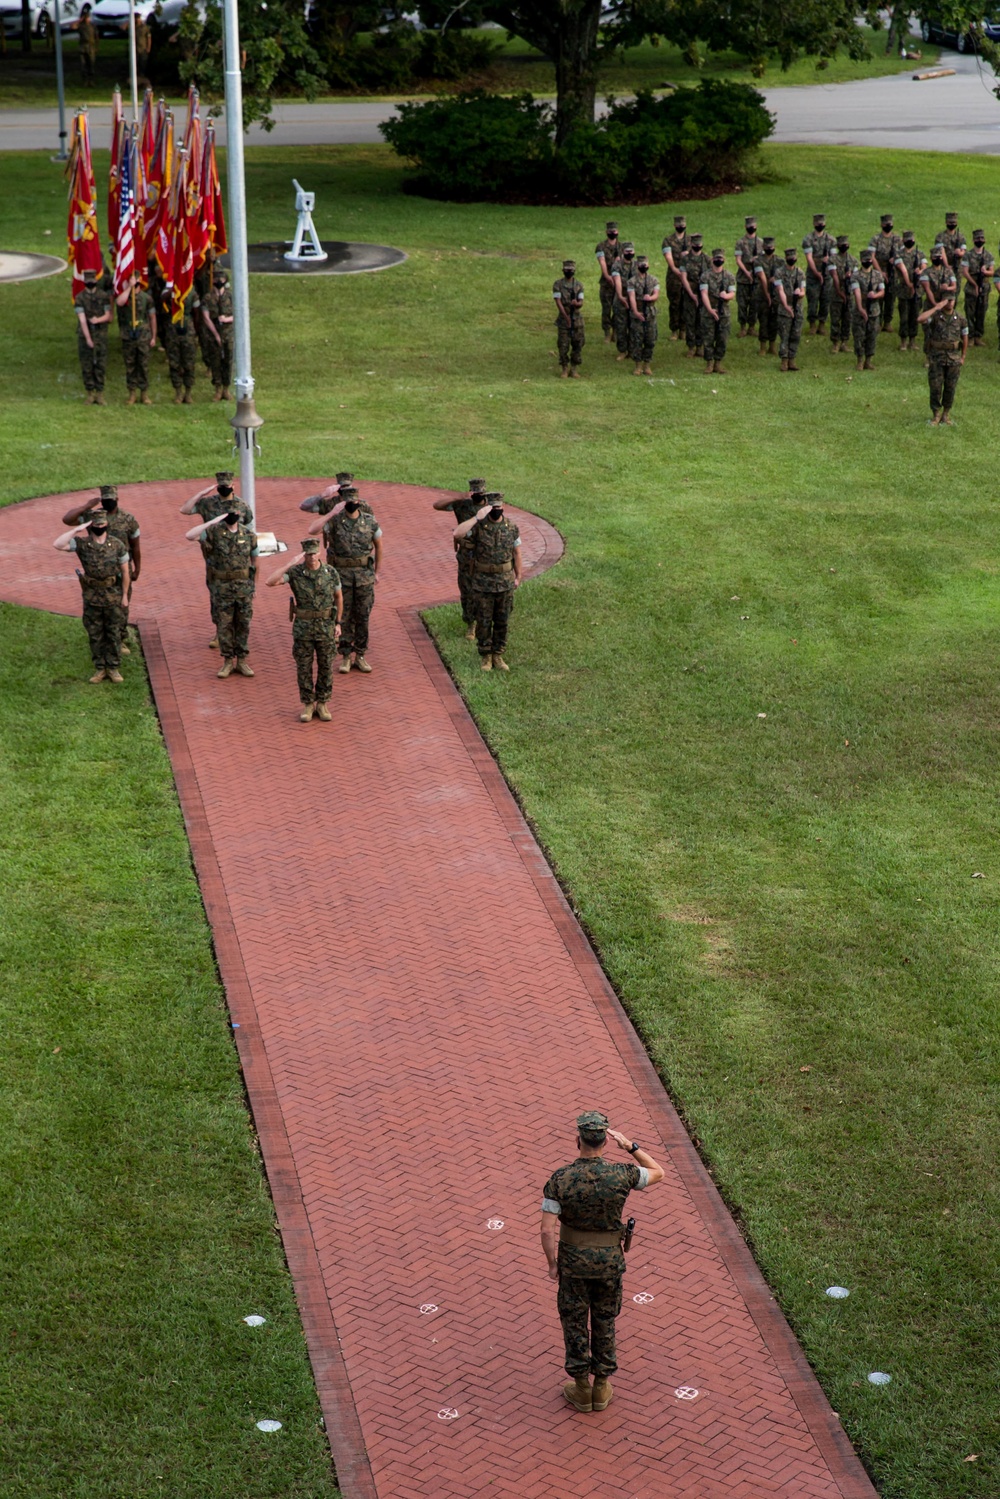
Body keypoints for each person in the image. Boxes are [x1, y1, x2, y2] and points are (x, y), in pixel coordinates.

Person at [540, 1111, 664, 1413]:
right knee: (605, 1320)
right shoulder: (622, 1174)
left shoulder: (560, 1179)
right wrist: (630, 1146)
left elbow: (546, 1229)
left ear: (578, 1140)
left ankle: (581, 1387)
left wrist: (552, 1263)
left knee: (574, 1321)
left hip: (572, 1263)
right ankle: (602, 1385)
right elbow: (657, 1171)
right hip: (609, 1263)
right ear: (605, 1142)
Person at [265, 538, 342, 722]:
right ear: (304, 555)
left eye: (315, 553)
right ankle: (308, 704)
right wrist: (289, 563)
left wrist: (338, 623)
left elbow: (339, 597)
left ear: (320, 553)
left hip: (325, 627)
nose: (312, 557)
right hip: (304, 629)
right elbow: (270, 582)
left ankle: (322, 703)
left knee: (326, 665)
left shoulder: (330, 572)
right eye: (308, 554)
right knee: (304, 667)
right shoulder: (296, 573)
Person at [307, 488, 382, 674]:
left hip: (364, 576)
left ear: (359, 502)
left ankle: (360, 655)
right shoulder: (335, 521)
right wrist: (331, 512)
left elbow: (379, 546)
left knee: (363, 616)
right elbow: (313, 530)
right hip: (341, 575)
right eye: (348, 501)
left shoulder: (370, 521)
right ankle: (346, 656)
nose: (351, 504)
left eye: (354, 500)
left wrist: (377, 572)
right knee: (343, 616)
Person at [52, 505, 129, 683]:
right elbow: (58, 544)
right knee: (95, 633)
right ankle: (100, 668)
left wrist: (125, 595)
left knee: (113, 632)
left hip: (112, 594)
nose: (99, 527)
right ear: (90, 526)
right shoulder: (82, 544)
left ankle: (113, 667)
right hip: (92, 595)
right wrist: (76, 529)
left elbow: (125, 572)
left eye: (102, 524)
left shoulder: (117, 545)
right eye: (96, 524)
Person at [62, 484, 141, 650]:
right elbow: (67, 520)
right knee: (98, 607)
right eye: (105, 500)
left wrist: (137, 568)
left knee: (122, 605)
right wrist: (86, 506)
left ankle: (120, 638)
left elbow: (135, 545)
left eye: (111, 499)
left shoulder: (128, 519)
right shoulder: (93, 516)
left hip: (121, 570)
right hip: (98, 569)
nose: (108, 502)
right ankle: (103, 639)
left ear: (117, 499)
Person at [180, 472, 252, 648]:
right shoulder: (208, 503)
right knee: (216, 597)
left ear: (233, 485)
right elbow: (185, 509)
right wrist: (201, 494)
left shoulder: (241, 506)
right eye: (221, 485)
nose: (224, 488)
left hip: (237, 560)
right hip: (213, 559)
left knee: (239, 600)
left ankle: (234, 633)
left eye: (227, 485)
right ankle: (220, 632)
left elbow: (247, 525)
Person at [185, 509, 258, 678]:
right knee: (224, 625)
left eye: (235, 511)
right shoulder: (214, 532)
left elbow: (255, 561)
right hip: (222, 588)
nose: (232, 514)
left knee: (243, 624)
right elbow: (190, 535)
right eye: (229, 512)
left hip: (243, 588)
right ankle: (227, 662)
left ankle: (241, 661)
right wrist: (212, 521)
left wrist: (254, 586)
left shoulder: (248, 534)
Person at [452, 493, 521, 672]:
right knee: (484, 620)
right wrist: (476, 517)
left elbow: (517, 552)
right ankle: (486, 656)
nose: (497, 511)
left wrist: (518, 576)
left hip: (504, 581)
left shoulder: (511, 527)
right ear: (488, 507)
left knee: (502, 620)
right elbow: (457, 533)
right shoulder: (478, 527)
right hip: (483, 582)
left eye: (499, 507)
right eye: (493, 507)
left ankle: (498, 654)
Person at [432, 478, 488, 640]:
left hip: (485, 554)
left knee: (484, 589)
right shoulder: (463, 504)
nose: (477, 495)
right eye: (474, 492)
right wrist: (459, 497)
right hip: (467, 554)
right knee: (466, 588)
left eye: (480, 492)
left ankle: (484, 622)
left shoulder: (490, 507)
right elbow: (437, 505)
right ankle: (471, 624)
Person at [918, 283, 967, 426]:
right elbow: (920, 319)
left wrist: (963, 356)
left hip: (953, 358)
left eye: (952, 300)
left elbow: (965, 337)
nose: (950, 303)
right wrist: (936, 307)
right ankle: (936, 414)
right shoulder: (935, 316)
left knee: (950, 387)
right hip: (937, 357)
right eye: (947, 300)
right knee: (935, 387)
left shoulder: (960, 318)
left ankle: (946, 414)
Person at [115, 274, 156, 404]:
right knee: (130, 365)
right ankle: (132, 393)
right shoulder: (126, 298)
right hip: (128, 336)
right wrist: (129, 289)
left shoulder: (147, 298)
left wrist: (153, 336)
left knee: (143, 365)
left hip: (143, 336)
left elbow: (152, 318)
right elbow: (119, 302)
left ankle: (144, 393)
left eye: (137, 282)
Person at [74, 266, 113, 405]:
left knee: (101, 364)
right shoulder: (79, 297)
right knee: (87, 364)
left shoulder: (103, 296)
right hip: (85, 336)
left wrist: (98, 320)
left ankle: (100, 393)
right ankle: (90, 393)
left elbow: (108, 315)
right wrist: (88, 338)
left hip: (101, 334)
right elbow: (82, 319)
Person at [198, 267, 234, 399]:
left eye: (222, 279)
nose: (219, 281)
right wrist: (216, 335)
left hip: (228, 334)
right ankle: (217, 389)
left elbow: (238, 314)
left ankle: (226, 388)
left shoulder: (230, 296)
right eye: (217, 279)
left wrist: (227, 319)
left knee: (227, 361)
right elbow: (206, 318)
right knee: (216, 361)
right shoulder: (207, 298)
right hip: (213, 335)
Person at [699, 248, 736, 373]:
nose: (718, 260)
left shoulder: (729, 276)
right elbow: (704, 293)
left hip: (723, 313)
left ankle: (718, 363)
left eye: (720, 258)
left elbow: (732, 293)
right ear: (712, 259)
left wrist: (726, 296)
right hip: (708, 312)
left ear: (724, 260)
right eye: (716, 258)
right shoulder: (706, 276)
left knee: (722, 338)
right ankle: (709, 363)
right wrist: (710, 309)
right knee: (708, 339)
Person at [850, 246, 885, 371]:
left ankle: (868, 360)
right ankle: (859, 360)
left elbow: (882, 291)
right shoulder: (856, 276)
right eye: (865, 259)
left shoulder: (877, 275)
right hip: (861, 310)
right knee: (859, 335)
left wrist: (875, 295)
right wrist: (860, 308)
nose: (867, 261)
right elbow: (857, 292)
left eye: (869, 259)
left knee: (872, 335)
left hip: (874, 310)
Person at [773, 246, 806, 371]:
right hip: (784, 308)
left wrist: (799, 293)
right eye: (789, 257)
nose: (792, 259)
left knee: (796, 334)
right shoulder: (779, 273)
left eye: (793, 257)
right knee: (784, 335)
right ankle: (784, 360)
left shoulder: (800, 273)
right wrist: (786, 306)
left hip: (797, 308)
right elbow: (780, 290)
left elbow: (803, 291)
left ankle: (792, 359)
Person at [960, 230, 994, 347]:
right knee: (970, 312)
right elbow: (965, 272)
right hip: (971, 287)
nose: (980, 240)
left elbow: (992, 272)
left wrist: (986, 271)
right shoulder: (968, 255)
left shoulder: (988, 255)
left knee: (981, 313)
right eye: (977, 238)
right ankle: (970, 336)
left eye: (982, 238)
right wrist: (974, 285)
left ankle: (978, 336)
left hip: (984, 288)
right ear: (973, 240)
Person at [802, 213, 835, 334]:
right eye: (818, 223)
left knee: (825, 299)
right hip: (813, 274)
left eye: (822, 223)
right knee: (813, 299)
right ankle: (812, 324)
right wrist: (816, 272)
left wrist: (828, 260)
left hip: (827, 275)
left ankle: (822, 323)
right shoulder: (808, 239)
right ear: (814, 224)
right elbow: (809, 258)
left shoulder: (831, 240)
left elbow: (834, 256)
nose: (820, 225)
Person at [868, 214, 901, 332]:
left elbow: (903, 253)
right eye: (886, 224)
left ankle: (887, 322)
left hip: (893, 272)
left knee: (890, 298)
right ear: (881, 225)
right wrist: (880, 272)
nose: (888, 226)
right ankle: (878, 321)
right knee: (879, 297)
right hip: (879, 270)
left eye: (890, 224)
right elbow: (872, 256)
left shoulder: (897, 239)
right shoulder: (875, 239)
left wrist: (895, 259)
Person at [627, 253, 659, 375]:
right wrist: (635, 312)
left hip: (650, 313)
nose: (643, 266)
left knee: (650, 339)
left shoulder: (653, 280)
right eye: (641, 264)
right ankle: (638, 366)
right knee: (637, 340)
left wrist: (650, 298)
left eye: (644, 264)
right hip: (638, 313)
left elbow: (656, 293)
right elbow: (631, 297)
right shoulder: (632, 282)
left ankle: (647, 365)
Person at [919, 245, 951, 365]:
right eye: (935, 257)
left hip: (944, 305)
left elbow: (954, 285)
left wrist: (947, 287)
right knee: (929, 332)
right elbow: (928, 290)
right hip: (930, 306)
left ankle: (941, 356)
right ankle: (928, 357)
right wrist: (935, 305)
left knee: (944, 332)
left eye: (939, 256)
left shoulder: (947, 271)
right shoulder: (926, 272)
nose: (937, 259)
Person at [553, 259, 585, 378]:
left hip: (577, 319)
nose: (568, 272)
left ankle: (574, 368)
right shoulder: (558, 285)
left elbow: (581, 302)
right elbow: (558, 302)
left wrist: (576, 304)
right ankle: (564, 368)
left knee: (578, 343)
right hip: (563, 319)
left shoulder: (579, 285)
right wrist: (566, 318)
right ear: (563, 270)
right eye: (567, 270)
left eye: (570, 270)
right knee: (563, 345)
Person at [166, 288, 198, 404]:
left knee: (189, 362)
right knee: (174, 362)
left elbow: (196, 312)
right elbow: (162, 300)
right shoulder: (170, 290)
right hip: (173, 329)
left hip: (188, 330)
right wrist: (171, 292)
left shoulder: (192, 292)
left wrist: (197, 332)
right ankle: (178, 393)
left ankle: (188, 393)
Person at [679, 232, 709, 358]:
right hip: (689, 292)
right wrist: (691, 294)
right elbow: (683, 277)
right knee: (690, 320)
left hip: (703, 293)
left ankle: (700, 346)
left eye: (699, 244)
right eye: (695, 244)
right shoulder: (685, 259)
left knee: (701, 320)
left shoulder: (706, 259)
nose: (697, 246)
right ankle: (691, 347)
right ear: (691, 244)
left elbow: (709, 277)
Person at [893, 231, 924, 352]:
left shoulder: (919, 253)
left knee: (915, 315)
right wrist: (909, 284)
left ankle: (912, 340)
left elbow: (925, 265)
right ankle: (903, 341)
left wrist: (920, 271)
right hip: (904, 290)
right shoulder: (898, 254)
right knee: (904, 317)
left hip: (917, 290)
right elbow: (903, 270)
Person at [734, 215, 763, 339]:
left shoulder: (761, 242)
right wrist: (747, 272)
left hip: (756, 278)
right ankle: (742, 327)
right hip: (743, 278)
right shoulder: (740, 242)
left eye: (753, 226)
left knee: (755, 303)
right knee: (742, 304)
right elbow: (738, 260)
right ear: (745, 227)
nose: (752, 228)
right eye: (749, 226)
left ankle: (752, 326)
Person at [660, 215, 688, 341]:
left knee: (686, 302)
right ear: (674, 226)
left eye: (683, 224)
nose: (681, 226)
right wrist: (674, 268)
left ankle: (684, 329)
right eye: (678, 224)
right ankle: (674, 330)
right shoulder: (668, 240)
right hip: (674, 276)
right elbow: (668, 255)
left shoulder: (690, 240)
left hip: (688, 276)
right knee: (675, 303)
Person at [827, 235, 857, 354]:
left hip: (849, 294)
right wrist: (839, 291)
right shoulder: (832, 259)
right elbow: (834, 275)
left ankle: (844, 342)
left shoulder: (853, 261)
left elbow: (856, 277)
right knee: (835, 318)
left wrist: (850, 277)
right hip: (836, 294)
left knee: (847, 318)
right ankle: (835, 342)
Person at [610, 241, 636, 362]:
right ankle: (622, 350)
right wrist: (621, 296)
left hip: (634, 298)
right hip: (621, 298)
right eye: (627, 252)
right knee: (621, 325)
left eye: (631, 251)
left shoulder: (636, 265)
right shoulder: (617, 265)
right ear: (622, 252)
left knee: (633, 325)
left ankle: (632, 350)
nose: (629, 253)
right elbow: (617, 281)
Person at [594, 221, 620, 343]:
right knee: (606, 308)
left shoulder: (622, 247)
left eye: (614, 231)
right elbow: (602, 262)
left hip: (619, 282)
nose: (612, 233)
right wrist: (607, 276)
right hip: (606, 283)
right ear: (606, 232)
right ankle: (607, 332)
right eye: (610, 231)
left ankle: (616, 331)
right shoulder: (601, 247)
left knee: (617, 308)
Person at [753, 236, 779, 356]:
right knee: (763, 320)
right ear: (763, 247)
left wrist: (777, 279)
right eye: (767, 247)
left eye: (771, 247)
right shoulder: (758, 261)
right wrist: (767, 294)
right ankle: (763, 346)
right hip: (761, 295)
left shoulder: (779, 261)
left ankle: (772, 345)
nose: (769, 249)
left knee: (774, 321)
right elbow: (762, 278)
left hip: (776, 295)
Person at [73, 3, 98, 84]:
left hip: (91, 47)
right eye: (86, 18)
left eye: (88, 18)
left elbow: (96, 37)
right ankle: (85, 80)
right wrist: (80, 20)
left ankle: (91, 80)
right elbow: (73, 27)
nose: (87, 19)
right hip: (83, 47)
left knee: (91, 64)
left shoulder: (92, 26)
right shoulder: (81, 26)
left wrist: (97, 47)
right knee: (83, 65)